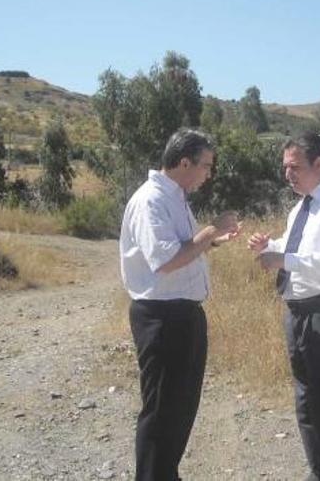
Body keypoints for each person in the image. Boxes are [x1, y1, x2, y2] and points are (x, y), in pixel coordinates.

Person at [119, 128, 240, 481]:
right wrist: (209, 231)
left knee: (179, 410)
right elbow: (166, 259)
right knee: (161, 413)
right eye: (205, 166)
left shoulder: (175, 196)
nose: (208, 173)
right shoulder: (151, 200)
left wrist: (211, 240)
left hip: (182, 316)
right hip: (162, 318)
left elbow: (183, 247)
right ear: (184, 162)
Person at [248, 131, 320, 481]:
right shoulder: (301, 207)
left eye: (294, 167)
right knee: (306, 403)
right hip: (298, 313)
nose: (288, 174)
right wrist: (271, 245)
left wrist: (285, 259)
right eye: (285, 167)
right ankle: (319, 472)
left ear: (319, 163)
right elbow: (296, 245)